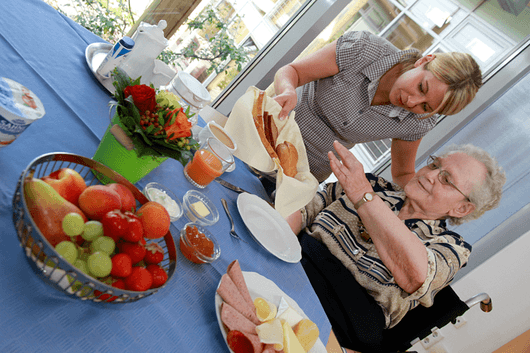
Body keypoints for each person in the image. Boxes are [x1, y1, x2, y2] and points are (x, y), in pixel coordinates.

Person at [286, 141, 505, 353]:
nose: (429, 175)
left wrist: (364, 197)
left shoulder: (451, 248)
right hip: (287, 268)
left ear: (462, 208)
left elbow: (416, 275)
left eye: (446, 179)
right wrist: (270, 236)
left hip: (332, 327)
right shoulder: (374, 185)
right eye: (434, 165)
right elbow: (303, 210)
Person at [273, 30, 482, 187]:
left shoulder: (419, 122)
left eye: (425, 105)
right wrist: (288, 90)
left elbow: (402, 174)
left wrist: (429, 200)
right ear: (425, 61)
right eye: (421, 87)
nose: (412, 102)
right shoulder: (364, 49)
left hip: (304, 173)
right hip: (273, 126)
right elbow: (293, 72)